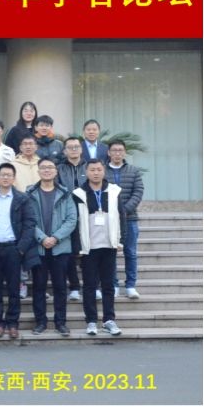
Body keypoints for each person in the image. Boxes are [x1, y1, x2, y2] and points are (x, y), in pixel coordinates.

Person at [73, 159, 126, 336]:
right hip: (89, 247)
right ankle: (91, 321)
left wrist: (120, 240)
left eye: (99, 169)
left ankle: (109, 320)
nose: (96, 173)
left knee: (108, 285)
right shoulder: (78, 193)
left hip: (109, 245)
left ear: (104, 171)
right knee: (89, 285)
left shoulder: (114, 191)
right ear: (86, 172)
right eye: (92, 170)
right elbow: (75, 222)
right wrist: (78, 246)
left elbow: (122, 216)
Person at [26, 157, 77, 337]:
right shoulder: (30, 193)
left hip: (60, 248)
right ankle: (40, 322)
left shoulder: (65, 193)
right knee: (38, 287)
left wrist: (55, 237)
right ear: (38, 171)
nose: (47, 170)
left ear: (56, 171)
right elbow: (28, 219)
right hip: (38, 248)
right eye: (43, 168)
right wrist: (42, 238)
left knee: (60, 287)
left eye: (50, 167)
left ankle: (60, 322)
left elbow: (72, 219)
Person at [0, 163, 37, 339]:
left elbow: (30, 224)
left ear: (14, 178)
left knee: (14, 289)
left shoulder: (22, 198)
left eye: (9, 175)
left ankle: (13, 323)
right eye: (3, 174)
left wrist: (21, 248)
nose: (6, 177)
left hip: (13, 249)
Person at [105, 140, 144, 299]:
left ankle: (130, 286)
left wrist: (124, 211)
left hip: (130, 218)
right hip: (108, 219)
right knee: (110, 253)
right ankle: (113, 285)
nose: (117, 153)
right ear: (109, 152)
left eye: (120, 150)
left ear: (125, 152)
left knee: (130, 252)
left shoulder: (133, 171)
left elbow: (138, 192)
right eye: (114, 150)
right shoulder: (102, 170)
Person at [57, 136, 88, 301]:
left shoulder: (89, 167)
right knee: (69, 253)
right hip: (67, 215)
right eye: (70, 147)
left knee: (89, 251)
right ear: (65, 151)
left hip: (88, 213)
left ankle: (93, 286)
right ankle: (74, 287)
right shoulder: (59, 169)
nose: (74, 149)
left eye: (76, 147)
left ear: (81, 149)